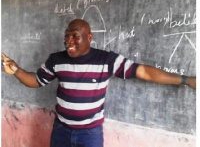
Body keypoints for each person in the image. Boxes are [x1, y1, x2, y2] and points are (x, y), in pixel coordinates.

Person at [2, 19, 196, 147]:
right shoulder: (56, 59)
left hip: (90, 134)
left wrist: (186, 80)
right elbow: (36, 81)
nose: (69, 41)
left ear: (89, 37)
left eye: (75, 36)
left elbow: (143, 72)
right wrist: (17, 70)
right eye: (66, 36)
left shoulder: (106, 60)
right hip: (61, 130)